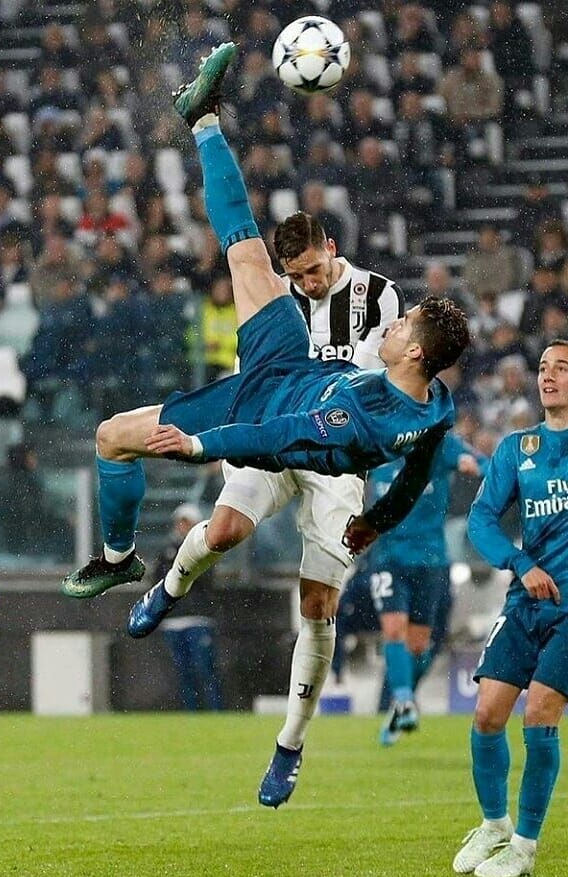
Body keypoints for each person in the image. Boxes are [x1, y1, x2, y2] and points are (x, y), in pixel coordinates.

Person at [61, 38, 469, 768]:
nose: (391, 323)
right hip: (282, 374)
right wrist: (383, 517)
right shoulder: (426, 397)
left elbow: (287, 434)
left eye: (402, 328)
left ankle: (289, 744)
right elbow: (411, 473)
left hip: (294, 440)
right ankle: (204, 120)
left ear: (409, 347)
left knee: (316, 606)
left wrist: (199, 446)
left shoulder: (373, 393)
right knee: (240, 257)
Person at [128, 205, 404, 812]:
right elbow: (246, 376)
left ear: (332, 247)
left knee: (317, 603)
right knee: (223, 531)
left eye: (313, 270)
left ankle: (290, 744)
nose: (307, 284)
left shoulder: (379, 297)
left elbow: (373, 385)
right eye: (296, 275)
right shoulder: (273, 300)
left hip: (334, 456)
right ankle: (169, 588)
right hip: (275, 434)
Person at [452, 338, 568, 877]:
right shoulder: (516, 448)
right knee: (487, 714)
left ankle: (523, 847)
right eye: (544, 368)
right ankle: (494, 826)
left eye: (562, 368)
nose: (549, 376)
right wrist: (521, 564)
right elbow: (481, 521)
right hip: (526, 599)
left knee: (541, 709)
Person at [335, 432, 488, 746]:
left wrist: (472, 463)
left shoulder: (441, 445)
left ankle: (399, 704)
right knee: (393, 629)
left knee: (419, 646)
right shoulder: (378, 443)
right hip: (389, 558)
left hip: (431, 559)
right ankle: (404, 701)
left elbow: (485, 464)